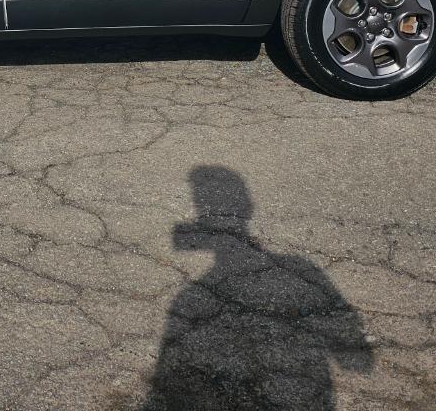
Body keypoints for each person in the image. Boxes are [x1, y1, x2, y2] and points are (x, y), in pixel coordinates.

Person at [140, 166, 373, 410]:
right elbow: (357, 361)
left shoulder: (190, 294)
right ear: (248, 207)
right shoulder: (301, 267)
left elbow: (356, 357)